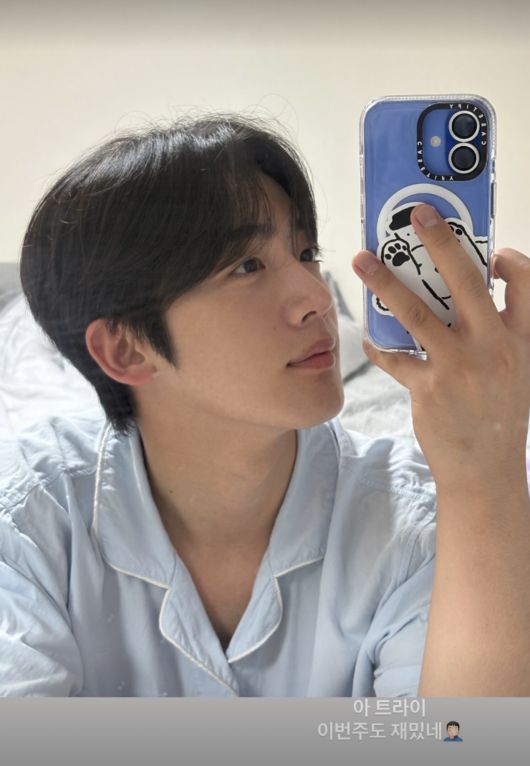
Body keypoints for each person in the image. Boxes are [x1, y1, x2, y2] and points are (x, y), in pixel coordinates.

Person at [1, 114, 529, 697]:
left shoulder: (424, 521)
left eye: (306, 252)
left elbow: (459, 739)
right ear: (127, 349)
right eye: (246, 266)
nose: (318, 297)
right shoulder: (28, 521)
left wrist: (485, 470)